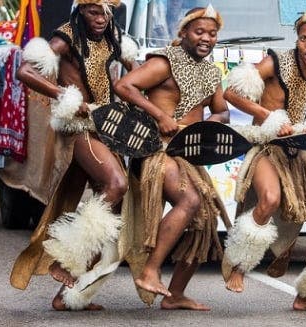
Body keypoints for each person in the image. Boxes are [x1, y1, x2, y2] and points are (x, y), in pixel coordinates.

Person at [9, 0, 139, 310]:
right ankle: (65, 265)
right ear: (80, 10)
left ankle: (71, 294)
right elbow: (24, 71)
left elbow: (135, 75)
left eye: (106, 14)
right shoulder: (66, 37)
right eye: (94, 12)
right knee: (116, 185)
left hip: (107, 126)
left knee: (112, 210)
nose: (101, 19)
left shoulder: (114, 38)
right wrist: (65, 95)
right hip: (79, 127)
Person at [220, 11, 306, 312]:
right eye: (303, 38)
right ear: (297, 41)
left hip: (296, 155)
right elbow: (231, 93)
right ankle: (238, 265)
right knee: (270, 199)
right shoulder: (277, 61)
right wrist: (268, 116)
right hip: (267, 147)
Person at [113, 5, 229, 311]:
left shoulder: (212, 73)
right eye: (199, 32)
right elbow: (124, 85)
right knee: (189, 201)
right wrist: (159, 115)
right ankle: (151, 270)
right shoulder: (166, 62)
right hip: (157, 150)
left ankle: (175, 294)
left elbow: (222, 109)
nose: (206, 38)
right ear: (184, 33)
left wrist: (215, 120)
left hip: (188, 155)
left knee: (205, 221)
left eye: (212, 33)